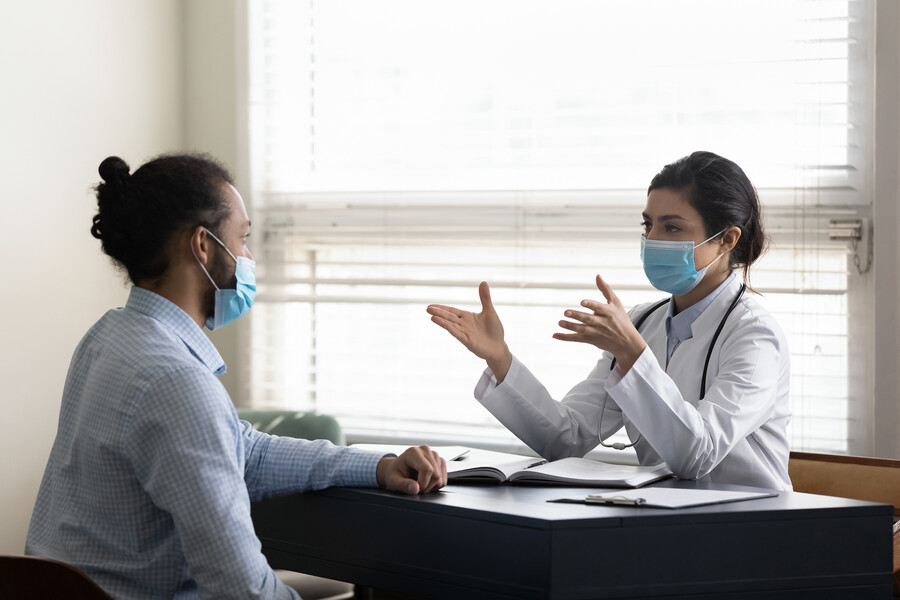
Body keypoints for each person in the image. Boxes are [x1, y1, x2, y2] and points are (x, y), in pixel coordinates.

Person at [26, 153, 447, 599]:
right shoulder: (175, 382)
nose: (247, 257)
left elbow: (240, 448)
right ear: (203, 245)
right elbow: (241, 589)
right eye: (242, 239)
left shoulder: (108, 337)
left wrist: (376, 466)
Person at [427, 151, 791, 491]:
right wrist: (500, 358)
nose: (652, 240)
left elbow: (698, 455)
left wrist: (632, 351)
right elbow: (566, 438)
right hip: (664, 520)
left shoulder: (754, 336)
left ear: (726, 239)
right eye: (648, 225)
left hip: (747, 526)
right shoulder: (642, 321)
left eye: (672, 228)